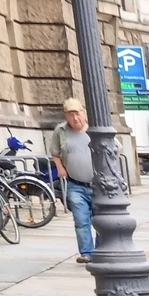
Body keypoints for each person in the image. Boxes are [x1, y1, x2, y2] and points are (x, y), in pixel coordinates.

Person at [56, 98, 95, 261]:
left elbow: (115, 148)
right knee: (81, 220)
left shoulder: (95, 128)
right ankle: (86, 253)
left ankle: (101, 251)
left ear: (84, 113)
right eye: (71, 115)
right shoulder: (61, 131)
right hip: (75, 183)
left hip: (98, 184)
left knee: (101, 220)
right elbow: (55, 152)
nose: (75, 118)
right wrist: (60, 168)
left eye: (77, 114)